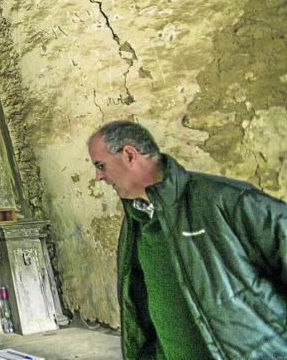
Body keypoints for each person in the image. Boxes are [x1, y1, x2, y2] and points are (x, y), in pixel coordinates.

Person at [87, 120, 287, 359]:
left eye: (101, 165)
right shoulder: (136, 221)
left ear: (130, 155)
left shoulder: (226, 200)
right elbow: (140, 311)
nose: (98, 176)